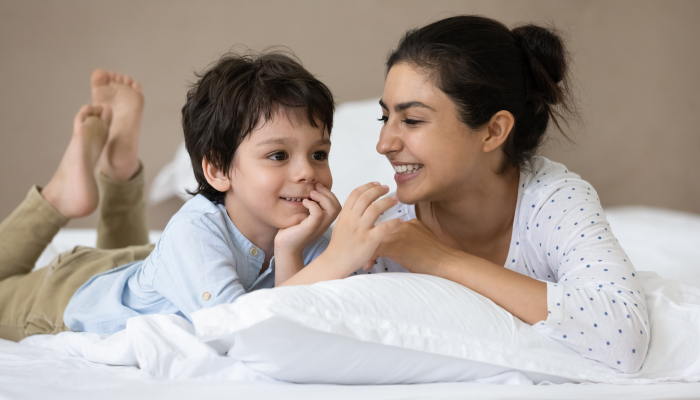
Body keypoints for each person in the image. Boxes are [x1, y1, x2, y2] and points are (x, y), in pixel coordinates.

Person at [280, 15, 649, 373]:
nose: (383, 143)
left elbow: (624, 338)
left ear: (493, 131)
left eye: (411, 120)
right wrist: (318, 254)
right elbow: (285, 330)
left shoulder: (553, 201)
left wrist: (441, 261)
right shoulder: (386, 229)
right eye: (385, 117)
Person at [0, 52, 341, 340]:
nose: (307, 173)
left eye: (319, 155)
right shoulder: (194, 231)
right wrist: (300, 251)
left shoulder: (311, 235)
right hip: (67, 298)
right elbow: (240, 332)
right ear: (218, 170)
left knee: (140, 276)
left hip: (133, 267)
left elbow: (304, 320)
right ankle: (58, 198)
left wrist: (298, 248)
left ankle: (121, 170)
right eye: (278, 155)